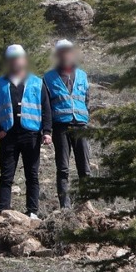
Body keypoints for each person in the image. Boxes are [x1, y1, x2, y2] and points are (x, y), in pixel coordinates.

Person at [0, 44, 47, 218]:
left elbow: (46, 108)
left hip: (31, 134)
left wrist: (47, 131)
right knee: (6, 174)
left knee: (32, 174)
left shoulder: (37, 82)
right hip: (8, 134)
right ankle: (3, 209)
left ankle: (32, 210)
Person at [42, 38, 91, 212]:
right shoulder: (48, 78)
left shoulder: (83, 75)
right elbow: (46, 106)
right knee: (63, 168)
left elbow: (86, 99)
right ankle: (65, 206)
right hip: (60, 127)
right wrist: (46, 130)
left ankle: (86, 203)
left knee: (84, 167)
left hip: (80, 125)